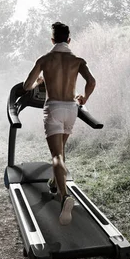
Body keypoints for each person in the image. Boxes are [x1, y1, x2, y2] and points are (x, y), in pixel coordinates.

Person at [22, 22, 96, 225]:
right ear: (69, 40)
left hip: (53, 107)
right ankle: (55, 182)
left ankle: (64, 197)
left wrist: (40, 81)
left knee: (56, 156)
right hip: (71, 109)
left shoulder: (45, 59)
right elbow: (91, 82)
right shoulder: (78, 60)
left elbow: (26, 85)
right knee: (62, 152)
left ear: (52, 40)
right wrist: (84, 98)